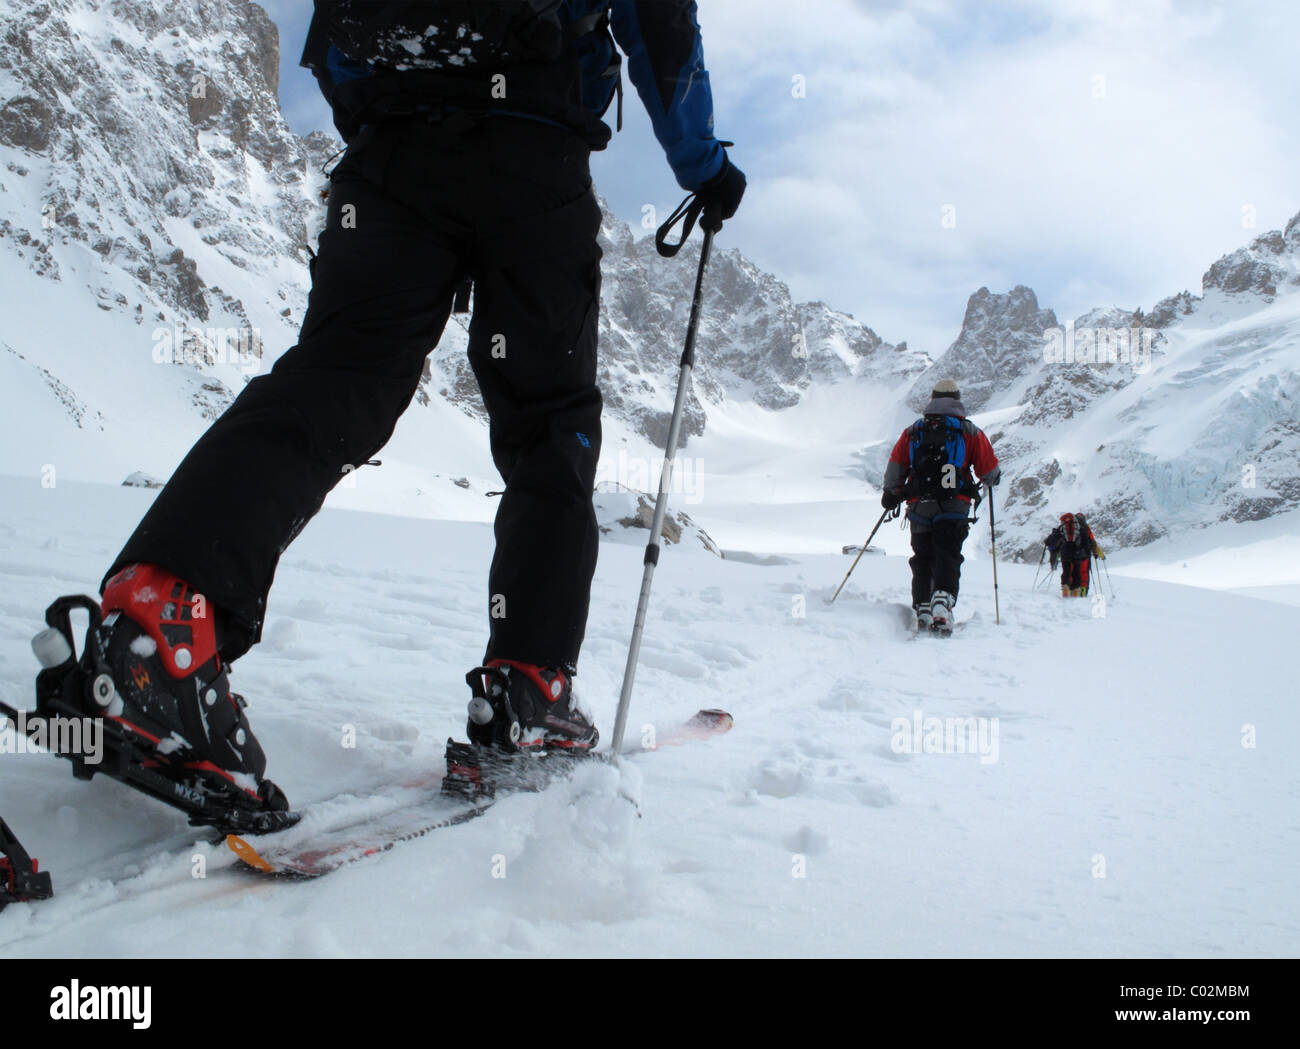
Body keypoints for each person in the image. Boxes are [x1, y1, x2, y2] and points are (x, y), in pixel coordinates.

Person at [53, 1, 746, 821]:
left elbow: (336, 38)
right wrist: (703, 164)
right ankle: (529, 688)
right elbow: (657, 18)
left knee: (336, 376)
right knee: (549, 423)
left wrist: (396, 111)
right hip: (533, 152)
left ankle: (158, 623)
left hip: (389, 158)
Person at [880, 380, 1000, 635]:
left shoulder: (914, 430)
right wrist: (992, 477)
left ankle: (922, 604)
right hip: (955, 505)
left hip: (919, 505)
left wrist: (891, 493)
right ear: (958, 399)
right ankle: (942, 601)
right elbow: (989, 471)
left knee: (922, 556)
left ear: (932, 399)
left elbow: (897, 466)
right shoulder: (969, 431)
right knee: (948, 553)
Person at [1044, 513, 1104, 597]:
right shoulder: (1083, 528)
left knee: (1067, 571)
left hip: (1065, 553)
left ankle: (1066, 588)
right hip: (1080, 554)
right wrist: (1092, 552)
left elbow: (1050, 540)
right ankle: (1080, 592)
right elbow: (1089, 541)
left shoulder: (1063, 526)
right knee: (1079, 573)